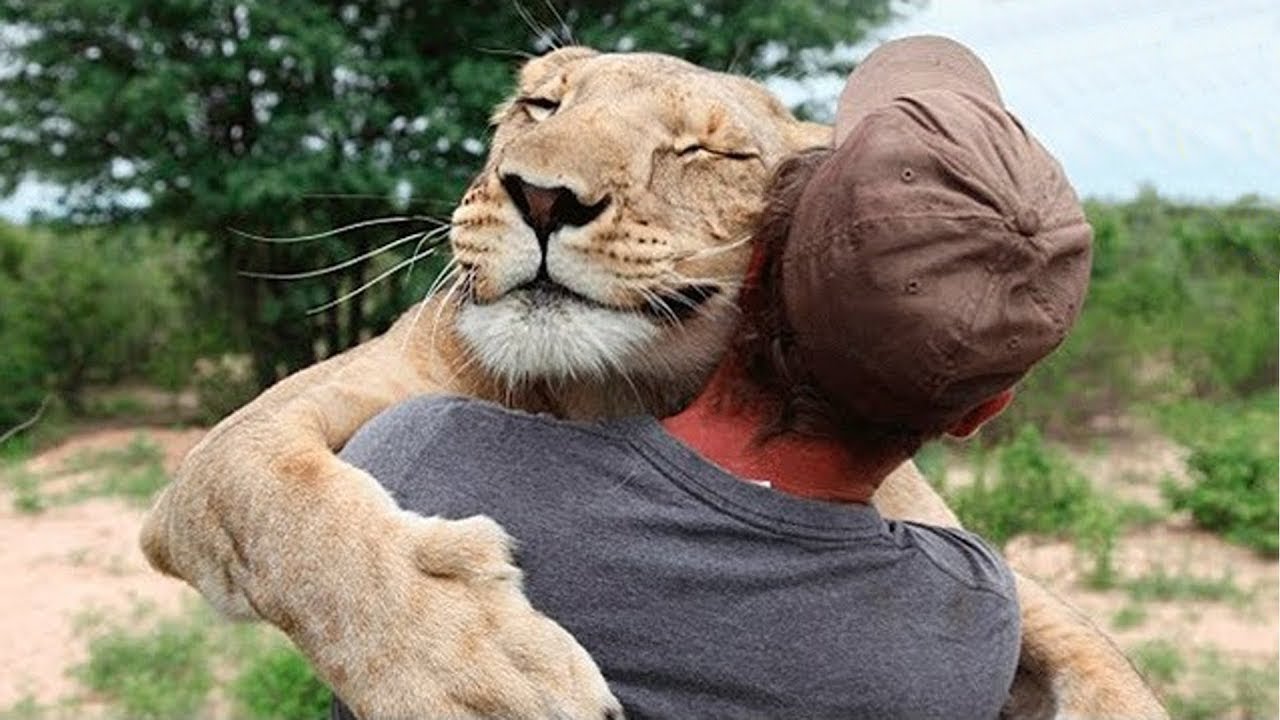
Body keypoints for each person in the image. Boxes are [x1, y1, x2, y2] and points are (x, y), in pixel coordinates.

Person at [332, 35, 1091, 720]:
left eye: (711, 155)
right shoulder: (971, 622)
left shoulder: (425, 457)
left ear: (759, 258)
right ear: (984, 409)